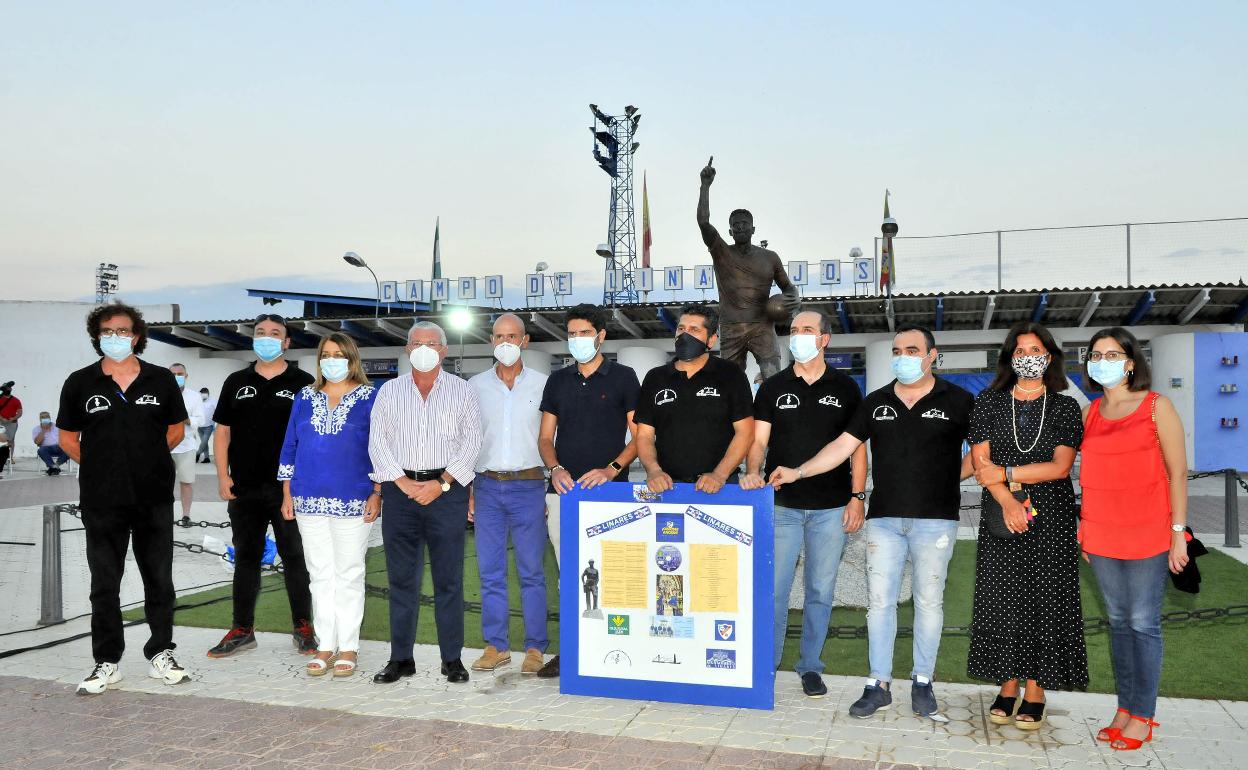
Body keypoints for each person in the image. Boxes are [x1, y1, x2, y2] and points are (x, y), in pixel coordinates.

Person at [769, 324, 975, 720]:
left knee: (929, 604)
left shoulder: (960, 399)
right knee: (879, 604)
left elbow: (981, 453)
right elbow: (842, 448)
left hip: (936, 522)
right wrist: (797, 472)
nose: (903, 356)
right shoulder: (876, 402)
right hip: (884, 521)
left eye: (912, 350)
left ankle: (922, 682)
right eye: (897, 350)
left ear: (932, 355)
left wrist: (952, 478)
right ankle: (878, 683)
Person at [56, 302, 191, 694]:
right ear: (98, 336)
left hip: (152, 498)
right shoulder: (80, 382)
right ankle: (107, 661)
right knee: (104, 583)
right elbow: (67, 439)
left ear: (137, 335)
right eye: (108, 331)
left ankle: (161, 653)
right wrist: (103, 464)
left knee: (159, 580)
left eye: (124, 330)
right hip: (101, 500)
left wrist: (143, 462)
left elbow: (175, 432)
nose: (116, 337)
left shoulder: (161, 379)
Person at [966, 322, 1087, 730]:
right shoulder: (988, 402)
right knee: (1003, 599)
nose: (1027, 357)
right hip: (1001, 511)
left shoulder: (1065, 406)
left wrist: (1007, 471)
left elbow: (1061, 465)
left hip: (1051, 515)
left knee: (1045, 599)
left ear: (1049, 357)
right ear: (1009, 358)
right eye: (1019, 351)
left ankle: (1036, 689)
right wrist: (1006, 498)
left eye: (1034, 349)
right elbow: (980, 463)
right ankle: (1007, 684)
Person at [741, 310, 866, 698]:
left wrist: (857, 497)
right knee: (774, 592)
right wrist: (753, 471)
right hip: (782, 508)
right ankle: (767, 665)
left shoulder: (846, 387)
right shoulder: (773, 387)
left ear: (824, 339)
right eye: (793, 331)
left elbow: (857, 449)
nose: (798, 337)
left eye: (807, 330)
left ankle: (810, 665)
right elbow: (758, 442)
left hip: (830, 509)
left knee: (819, 592)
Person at [1080, 327, 1189, 751]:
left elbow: (1178, 473)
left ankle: (1143, 714)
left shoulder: (1157, 406)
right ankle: (1125, 708)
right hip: (1102, 533)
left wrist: (1178, 534)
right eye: (1095, 354)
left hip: (1149, 532)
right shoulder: (1091, 412)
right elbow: (1090, 477)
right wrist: (1086, 529)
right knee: (1120, 624)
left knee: (1143, 623)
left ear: (1130, 362)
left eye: (1111, 354)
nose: (1101, 361)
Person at [369, 321, 482, 685]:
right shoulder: (388, 392)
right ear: (406, 348)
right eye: (417, 342)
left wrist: (443, 483)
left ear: (444, 351)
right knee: (402, 580)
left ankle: (452, 659)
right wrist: (401, 482)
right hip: (399, 492)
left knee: (449, 580)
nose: (424, 348)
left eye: (432, 343)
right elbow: (377, 443)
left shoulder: (463, 392)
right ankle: (401, 658)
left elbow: (472, 443)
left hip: (445, 494)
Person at [537, 303, 641, 678]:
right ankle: (573, 652)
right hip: (564, 493)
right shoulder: (558, 381)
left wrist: (612, 469)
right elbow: (546, 437)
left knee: (613, 574)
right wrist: (556, 468)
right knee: (570, 576)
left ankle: (616, 653)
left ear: (601, 336)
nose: (577, 340)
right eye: (572, 333)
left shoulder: (624, 377)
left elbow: (640, 436)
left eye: (584, 333)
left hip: (610, 495)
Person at [208, 314, 317, 658]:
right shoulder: (235, 381)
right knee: (246, 559)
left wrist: (301, 484)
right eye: (260, 333)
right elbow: (222, 432)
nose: (266, 338)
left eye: (275, 334)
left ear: (286, 343)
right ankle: (243, 628)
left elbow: (311, 437)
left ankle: (303, 626)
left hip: (288, 490)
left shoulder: (304, 381)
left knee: (295, 558)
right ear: (252, 339)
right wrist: (223, 477)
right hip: (244, 489)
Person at [278, 333, 379, 678]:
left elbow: (381, 447)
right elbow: (290, 445)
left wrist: (377, 491)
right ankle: (325, 645)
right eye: (326, 354)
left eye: (339, 354)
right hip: (307, 498)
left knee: (349, 574)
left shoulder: (371, 397)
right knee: (320, 574)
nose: (331, 359)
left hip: (355, 498)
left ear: (352, 359)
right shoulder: (304, 397)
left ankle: (348, 646)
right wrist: (288, 493)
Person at [468, 313, 550, 675]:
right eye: (499, 336)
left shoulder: (546, 385)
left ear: (525, 341)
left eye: (512, 336)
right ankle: (496, 646)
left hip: (530, 485)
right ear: (491, 341)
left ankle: (535, 648)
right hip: (485, 486)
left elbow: (552, 440)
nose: (505, 342)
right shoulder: (473, 386)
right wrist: (469, 488)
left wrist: (547, 489)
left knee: (532, 571)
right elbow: (467, 441)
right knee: (490, 572)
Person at [696, 157, 800, 378]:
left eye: (744, 224)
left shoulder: (770, 257)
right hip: (731, 327)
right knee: (730, 383)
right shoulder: (722, 252)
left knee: (772, 377)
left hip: (763, 325)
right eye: (735, 225)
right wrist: (705, 186)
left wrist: (794, 297)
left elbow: (788, 288)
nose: (740, 227)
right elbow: (704, 222)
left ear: (753, 229)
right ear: (730, 231)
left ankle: (771, 413)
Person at [635, 304, 754, 493]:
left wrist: (719, 475)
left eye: (694, 330)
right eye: (681, 328)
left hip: (719, 486)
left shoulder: (730, 374)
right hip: (666, 485)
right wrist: (653, 470)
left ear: (711, 340)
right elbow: (644, 435)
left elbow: (745, 432)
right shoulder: (655, 377)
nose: (685, 335)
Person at [169, 363, 204, 527]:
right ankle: (162, 515)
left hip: (186, 446)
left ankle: (186, 515)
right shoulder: (162, 393)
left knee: (186, 481)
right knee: (161, 483)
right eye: (173, 374)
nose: (177, 377)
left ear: (186, 376)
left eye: (180, 373)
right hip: (164, 446)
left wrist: (186, 418)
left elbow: (201, 419)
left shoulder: (195, 396)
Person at [0, 381, 21, 474]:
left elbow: (20, 412)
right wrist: (2, 418)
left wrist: (14, 418)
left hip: (12, 423)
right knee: (1, 441)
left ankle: (10, 457)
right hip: (1, 422)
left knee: (11, 440)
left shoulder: (16, 400)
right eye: (8, 388)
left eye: (10, 388)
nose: (10, 389)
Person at [196, 387, 217, 463]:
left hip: (209, 426)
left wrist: (216, 423)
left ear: (208, 394)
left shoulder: (213, 401)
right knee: (204, 443)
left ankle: (197, 454)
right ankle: (207, 458)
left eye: (205, 394)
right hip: (200, 426)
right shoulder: (198, 401)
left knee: (204, 442)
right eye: (202, 394)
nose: (203, 395)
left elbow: (217, 411)